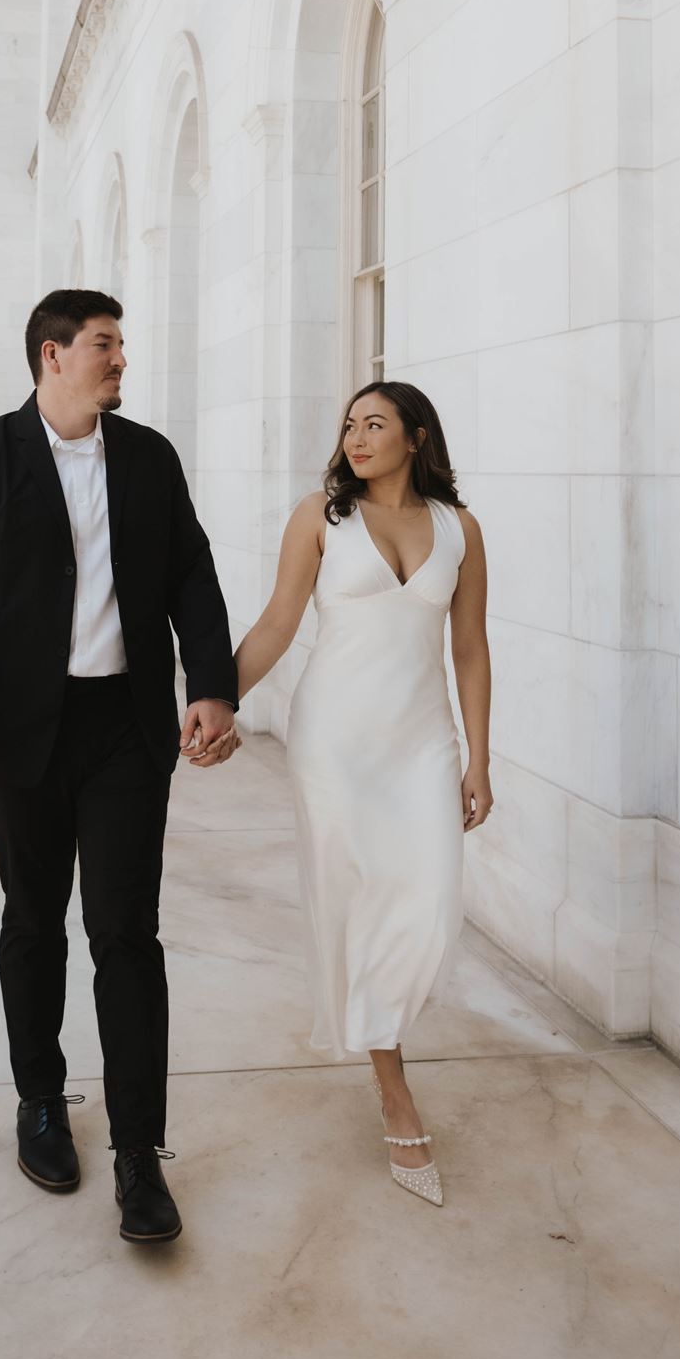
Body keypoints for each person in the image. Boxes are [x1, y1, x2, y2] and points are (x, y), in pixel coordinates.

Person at [0, 290, 239, 1245]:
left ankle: (140, 1154)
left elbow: (192, 572)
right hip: (20, 735)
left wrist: (213, 684)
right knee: (32, 921)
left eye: (122, 345)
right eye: (105, 345)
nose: (120, 361)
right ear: (52, 356)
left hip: (125, 732)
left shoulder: (147, 457)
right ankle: (42, 1102)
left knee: (126, 937)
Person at [232, 381, 493, 1207]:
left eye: (374, 424)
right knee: (360, 906)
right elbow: (277, 621)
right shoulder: (320, 516)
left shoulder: (460, 528)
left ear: (416, 437)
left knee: (428, 909)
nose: (355, 435)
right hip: (333, 744)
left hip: (420, 744)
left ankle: (383, 1045)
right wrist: (212, 701)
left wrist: (476, 760)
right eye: (348, 423)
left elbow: (470, 649)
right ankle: (395, 1091)